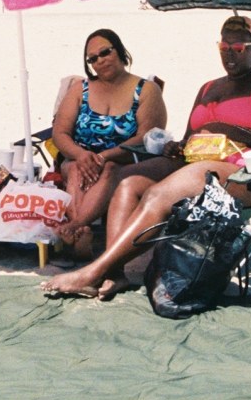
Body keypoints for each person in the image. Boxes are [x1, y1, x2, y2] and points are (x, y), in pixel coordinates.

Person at [41, 15, 251, 300]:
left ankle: (93, 271)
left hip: (244, 173)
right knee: (126, 181)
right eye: (224, 48)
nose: (230, 55)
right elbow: (188, 137)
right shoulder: (208, 88)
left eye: (239, 48)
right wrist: (176, 147)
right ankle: (115, 272)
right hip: (192, 162)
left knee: (157, 194)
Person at [51, 29, 167, 245]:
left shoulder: (146, 90)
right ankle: (81, 232)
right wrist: (81, 154)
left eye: (105, 52)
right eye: (93, 59)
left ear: (120, 50)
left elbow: (147, 136)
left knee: (110, 168)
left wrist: (104, 156)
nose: (100, 61)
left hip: (124, 159)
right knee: (77, 169)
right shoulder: (80, 89)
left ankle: (75, 228)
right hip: (79, 158)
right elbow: (60, 132)